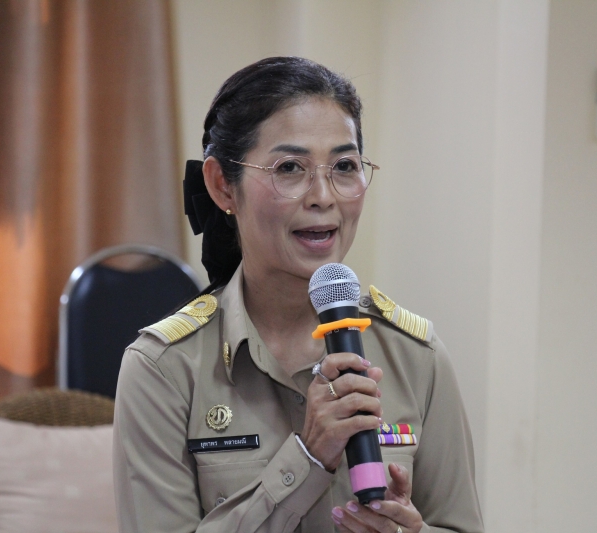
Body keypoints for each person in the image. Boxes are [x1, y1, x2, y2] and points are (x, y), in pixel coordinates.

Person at [113, 56, 484, 533]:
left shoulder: (417, 357)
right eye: (290, 167)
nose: (323, 196)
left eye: (344, 166)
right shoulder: (163, 369)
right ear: (222, 186)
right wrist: (307, 458)